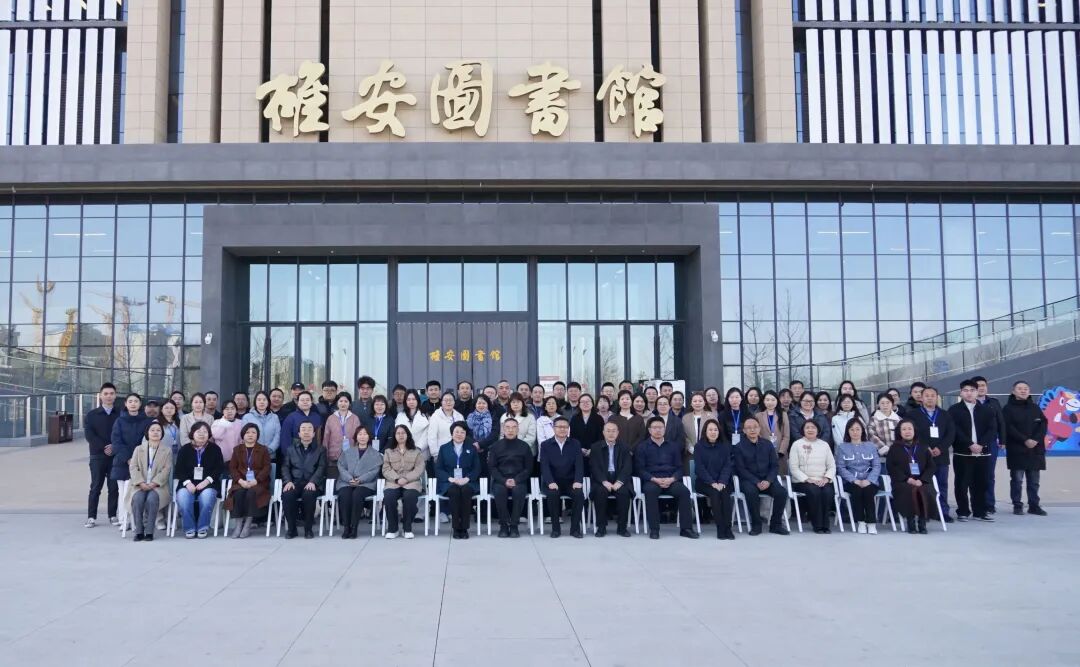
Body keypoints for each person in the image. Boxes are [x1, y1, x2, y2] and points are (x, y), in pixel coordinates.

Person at [635, 417, 698, 540]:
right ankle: (654, 529)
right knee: (650, 492)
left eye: (660, 427)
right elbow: (640, 469)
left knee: (684, 492)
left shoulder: (673, 446)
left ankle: (686, 529)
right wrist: (654, 479)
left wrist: (672, 479)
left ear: (664, 429)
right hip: (652, 480)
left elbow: (679, 468)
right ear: (649, 430)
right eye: (655, 428)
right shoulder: (642, 447)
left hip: (670, 480)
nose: (658, 430)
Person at [947, 379, 997, 522]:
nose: (969, 393)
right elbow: (954, 430)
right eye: (966, 390)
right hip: (963, 452)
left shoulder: (987, 410)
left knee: (981, 483)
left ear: (977, 392)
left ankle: (979, 512)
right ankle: (963, 511)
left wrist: (981, 444)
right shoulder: (954, 410)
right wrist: (969, 444)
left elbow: (992, 429)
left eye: (972, 390)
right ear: (961, 393)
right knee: (962, 484)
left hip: (983, 452)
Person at [733, 418, 789, 536]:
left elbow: (774, 465)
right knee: (751, 492)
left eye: (755, 427)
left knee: (782, 493)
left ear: (759, 428)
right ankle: (756, 525)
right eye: (749, 428)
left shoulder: (767, 444)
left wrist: (768, 480)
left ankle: (775, 525)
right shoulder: (739, 447)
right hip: (749, 480)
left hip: (767, 479)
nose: (752, 430)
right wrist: (756, 481)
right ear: (744, 431)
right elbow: (740, 469)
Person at [908, 386, 956, 523]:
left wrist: (941, 448)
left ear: (937, 397)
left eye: (933, 395)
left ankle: (942, 512)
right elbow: (911, 433)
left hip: (941, 456)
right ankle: (923, 512)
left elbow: (951, 433)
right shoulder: (913, 415)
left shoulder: (945, 414)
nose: (930, 398)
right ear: (921, 398)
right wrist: (924, 447)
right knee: (922, 484)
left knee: (941, 485)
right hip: (921, 456)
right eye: (927, 395)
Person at [1002, 381, 1048, 516]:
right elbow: (1008, 427)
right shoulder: (1007, 409)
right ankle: (1017, 505)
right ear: (1013, 391)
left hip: (1035, 449)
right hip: (1017, 449)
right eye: (1020, 388)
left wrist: (1035, 439)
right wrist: (1025, 440)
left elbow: (1043, 424)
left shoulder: (1035, 408)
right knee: (1017, 480)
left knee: (1034, 481)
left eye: (1026, 388)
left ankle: (1034, 505)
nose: (1023, 391)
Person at [173, 422, 225, 539]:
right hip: (187, 484)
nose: (202, 434)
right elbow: (179, 469)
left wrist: (206, 481)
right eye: (198, 431)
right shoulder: (184, 449)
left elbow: (219, 468)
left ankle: (202, 527)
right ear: (192, 433)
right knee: (183, 499)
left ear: (209, 434)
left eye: (205, 432)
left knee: (206, 499)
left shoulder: (215, 449)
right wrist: (187, 483)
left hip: (209, 483)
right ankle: (190, 528)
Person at [886, 419, 937, 534]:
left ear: (914, 431)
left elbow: (931, 466)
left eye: (910, 429)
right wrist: (907, 479)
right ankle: (911, 521)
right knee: (908, 490)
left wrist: (922, 480)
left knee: (925, 490)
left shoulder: (923, 447)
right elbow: (891, 467)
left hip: (922, 480)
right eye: (904, 429)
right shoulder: (894, 448)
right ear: (900, 432)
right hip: (902, 481)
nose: (907, 431)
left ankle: (922, 522)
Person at [126, 422, 173, 541]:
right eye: (152, 430)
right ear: (147, 433)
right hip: (139, 485)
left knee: (152, 499)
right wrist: (141, 482)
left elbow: (166, 469)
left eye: (158, 430)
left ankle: (149, 531)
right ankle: (139, 531)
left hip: (158, 486)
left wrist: (154, 483)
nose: (155, 432)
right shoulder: (138, 449)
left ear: (162, 433)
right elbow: (133, 467)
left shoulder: (167, 450)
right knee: (137, 499)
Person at [787, 420, 837, 534]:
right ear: (803, 430)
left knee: (828, 492)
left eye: (813, 427)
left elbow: (832, 465)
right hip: (803, 481)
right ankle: (818, 525)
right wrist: (808, 479)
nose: (810, 430)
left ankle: (825, 525)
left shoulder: (824, 445)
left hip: (822, 480)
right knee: (814, 491)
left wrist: (826, 478)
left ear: (818, 430)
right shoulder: (797, 444)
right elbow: (794, 468)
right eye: (807, 427)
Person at [540, 417, 585, 538]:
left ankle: (575, 529)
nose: (562, 429)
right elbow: (544, 466)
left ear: (568, 429)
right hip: (553, 482)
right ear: (553, 428)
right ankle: (555, 529)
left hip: (570, 482)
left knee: (579, 495)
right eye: (559, 427)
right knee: (552, 495)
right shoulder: (545, 445)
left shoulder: (575, 444)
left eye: (565, 427)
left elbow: (579, 464)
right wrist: (550, 482)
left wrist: (578, 481)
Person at [225, 423, 272, 538]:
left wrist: (257, 480)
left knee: (251, 493)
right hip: (241, 482)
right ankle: (238, 525)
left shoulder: (263, 449)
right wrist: (240, 481)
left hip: (258, 482)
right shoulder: (237, 449)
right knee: (238, 493)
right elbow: (232, 468)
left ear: (257, 435)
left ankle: (247, 525)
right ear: (243, 435)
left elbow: (267, 467)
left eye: (253, 432)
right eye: (247, 432)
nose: (250, 435)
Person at [282, 420, 327, 539]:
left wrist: (313, 482)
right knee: (287, 495)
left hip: (312, 483)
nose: (306, 432)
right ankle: (292, 529)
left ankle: (308, 529)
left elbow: (322, 467)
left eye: (309, 429)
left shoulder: (320, 449)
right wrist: (288, 481)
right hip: (295, 482)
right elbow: (285, 467)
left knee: (309, 494)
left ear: (313, 433)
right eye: (303, 429)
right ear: (299, 433)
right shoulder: (291, 449)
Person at [335, 425, 383, 538]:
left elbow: (375, 471)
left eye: (365, 434)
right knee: (344, 494)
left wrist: (360, 480)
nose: (362, 437)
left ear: (369, 436)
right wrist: (349, 479)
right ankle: (346, 527)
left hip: (366, 484)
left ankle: (354, 527)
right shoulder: (347, 452)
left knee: (357, 494)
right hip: (347, 482)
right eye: (360, 434)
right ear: (356, 437)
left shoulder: (375, 454)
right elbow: (341, 466)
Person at [436, 421, 481, 539]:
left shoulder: (471, 448)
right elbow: (439, 469)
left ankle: (464, 528)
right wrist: (450, 479)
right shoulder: (444, 448)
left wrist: (467, 478)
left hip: (468, 481)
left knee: (465, 491)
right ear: (452, 433)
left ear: (466, 435)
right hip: (449, 482)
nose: (459, 434)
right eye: (457, 432)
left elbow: (477, 468)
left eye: (462, 432)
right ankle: (456, 528)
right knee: (454, 491)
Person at [488, 418, 532, 538]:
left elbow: (528, 468)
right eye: (507, 427)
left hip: (519, 480)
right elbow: (492, 468)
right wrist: (504, 480)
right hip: (500, 480)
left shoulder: (524, 446)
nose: (510, 430)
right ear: (503, 429)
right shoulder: (496, 446)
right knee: (499, 491)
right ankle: (503, 525)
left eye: (513, 427)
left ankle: (514, 526)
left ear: (518, 429)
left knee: (519, 491)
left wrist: (516, 480)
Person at [836, 418, 881, 534]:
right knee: (857, 491)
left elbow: (876, 465)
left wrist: (869, 480)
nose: (855, 432)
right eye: (852, 430)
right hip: (851, 482)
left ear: (862, 431)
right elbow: (841, 467)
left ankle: (871, 523)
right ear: (848, 432)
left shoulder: (870, 446)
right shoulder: (842, 447)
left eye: (857, 429)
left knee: (868, 490)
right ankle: (861, 522)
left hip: (869, 481)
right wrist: (854, 480)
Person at [85, 382, 121, 528]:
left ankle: (112, 515)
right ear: (100, 396)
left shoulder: (120, 413)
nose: (108, 396)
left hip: (115, 456)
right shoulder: (92, 415)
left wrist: (114, 447)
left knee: (113, 487)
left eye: (111, 393)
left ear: (115, 396)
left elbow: (122, 433)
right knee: (95, 486)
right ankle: (91, 517)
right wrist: (104, 447)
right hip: (97, 456)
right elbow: (89, 435)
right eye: (105, 394)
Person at [588, 421, 632, 537]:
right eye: (608, 431)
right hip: (602, 479)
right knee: (600, 492)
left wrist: (620, 481)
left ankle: (622, 528)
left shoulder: (624, 447)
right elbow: (594, 467)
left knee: (624, 493)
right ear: (603, 432)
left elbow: (627, 466)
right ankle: (601, 527)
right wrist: (604, 481)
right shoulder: (595, 447)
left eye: (613, 431)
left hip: (619, 479)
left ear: (618, 433)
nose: (611, 433)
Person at [694, 419, 735, 540]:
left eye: (716, 430)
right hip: (704, 482)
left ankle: (728, 528)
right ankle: (720, 527)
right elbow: (700, 468)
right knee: (715, 493)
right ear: (705, 432)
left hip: (723, 482)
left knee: (725, 493)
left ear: (719, 431)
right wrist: (712, 483)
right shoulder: (699, 447)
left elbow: (727, 466)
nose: (713, 432)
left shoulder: (725, 446)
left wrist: (721, 481)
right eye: (710, 430)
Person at [382, 425, 426, 539]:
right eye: (398, 433)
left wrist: (406, 479)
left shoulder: (416, 451)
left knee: (409, 497)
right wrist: (397, 479)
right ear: (394, 436)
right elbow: (386, 469)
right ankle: (393, 529)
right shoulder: (388, 451)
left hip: (411, 482)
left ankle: (407, 528)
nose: (401, 435)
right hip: (393, 482)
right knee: (389, 497)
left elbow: (419, 468)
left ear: (408, 435)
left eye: (403, 433)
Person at [972, 375, 1007, 514]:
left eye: (983, 385)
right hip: (973, 444)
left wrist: (1002, 440)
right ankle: (976, 503)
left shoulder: (994, 402)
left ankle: (989, 503)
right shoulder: (969, 403)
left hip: (991, 443)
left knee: (989, 474)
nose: (981, 388)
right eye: (978, 386)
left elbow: (1001, 422)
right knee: (974, 475)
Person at [111, 393, 152, 495]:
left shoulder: (147, 422)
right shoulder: (119, 421)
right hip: (122, 463)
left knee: (138, 495)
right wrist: (128, 458)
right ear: (126, 404)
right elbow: (116, 442)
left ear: (140, 404)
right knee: (123, 494)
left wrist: (138, 459)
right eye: (130, 401)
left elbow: (149, 441)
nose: (133, 404)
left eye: (136, 401)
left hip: (142, 463)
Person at [322, 392, 361, 480]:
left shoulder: (355, 418)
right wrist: (325, 456)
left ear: (349, 403)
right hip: (334, 456)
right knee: (334, 480)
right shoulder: (331, 418)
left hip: (350, 457)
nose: (343, 404)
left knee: (348, 480)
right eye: (341, 401)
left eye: (346, 401)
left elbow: (358, 438)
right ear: (337, 403)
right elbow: (326, 438)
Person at [755, 390, 791, 475]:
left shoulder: (783, 414)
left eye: (773, 400)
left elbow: (786, 435)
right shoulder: (758, 416)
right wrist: (763, 449)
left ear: (777, 401)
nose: (770, 402)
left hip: (780, 452)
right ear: (763, 401)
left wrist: (781, 451)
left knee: (780, 476)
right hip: (764, 451)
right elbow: (758, 434)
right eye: (767, 400)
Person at [242, 391, 281, 463]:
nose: (262, 402)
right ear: (255, 402)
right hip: (253, 454)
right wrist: (257, 450)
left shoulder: (274, 417)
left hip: (270, 455)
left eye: (264, 400)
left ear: (268, 402)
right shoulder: (247, 417)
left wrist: (270, 449)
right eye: (259, 400)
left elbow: (277, 435)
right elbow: (245, 435)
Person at [427, 391, 464, 461]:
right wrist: (435, 454)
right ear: (441, 402)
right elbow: (432, 437)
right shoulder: (435, 417)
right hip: (441, 454)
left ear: (454, 402)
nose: (448, 402)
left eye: (451, 400)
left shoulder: (459, 416)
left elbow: (463, 434)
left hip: (458, 453)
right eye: (446, 400)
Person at [466, 395, 499, 471]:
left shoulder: (493, 417)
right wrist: (475, 445)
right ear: (475, 405)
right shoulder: (469, 417)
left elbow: (494, 434)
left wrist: (480, 445)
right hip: (472, 449)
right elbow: (467, 433)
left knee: (487, 472)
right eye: (479, 403)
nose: (481, 405)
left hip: (489, 450)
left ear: (488, 405)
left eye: (484, 403)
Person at [394, 389, 430, 454]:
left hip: (421, 452)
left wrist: (418, 448)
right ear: (405, 401)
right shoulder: (400, 415)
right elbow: (397, 433)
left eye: (413, 399)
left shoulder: (425, 415)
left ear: (417, 400)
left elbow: (427, 434)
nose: (411, 402)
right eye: (408, 399)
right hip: (403, 452)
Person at [569, 393, 604, 459]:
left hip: (595, 454)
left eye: (588, 401)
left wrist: (593, 449)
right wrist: (579, 448)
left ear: (592, 404)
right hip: (578, 453)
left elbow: (601, 437)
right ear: (579, 404)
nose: (585, 403)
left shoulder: (599, 419)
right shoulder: (574, 418)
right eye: (583, 402)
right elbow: (572, 436)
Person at [681, 391, 716, 456]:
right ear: (691, 403)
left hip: (709, 451)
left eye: (700, 401)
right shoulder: (685, 418)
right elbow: (683, 435)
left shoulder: (711, 416)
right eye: (695, 401)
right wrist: (691, 448)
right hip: (690, 453)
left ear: (704, 403)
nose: (697, 403)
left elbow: (716, 433)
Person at [868, 394, 900, 461]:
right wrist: (884, 449)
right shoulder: (874, 419)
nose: (885, 405)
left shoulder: (898, 419)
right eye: (882, 403)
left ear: (892, 404)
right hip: (880, 457)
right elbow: (871, 435)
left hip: (898, 455)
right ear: (878, 405)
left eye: (888, 403)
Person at [654, 396, 687, 461]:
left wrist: (670, 453)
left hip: (672, 457)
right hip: (654, 456)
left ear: (670, 406)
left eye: (665, 404)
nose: (662, 406)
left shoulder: (677, 421)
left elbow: (681, 441)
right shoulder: (652, 420)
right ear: (656, 407)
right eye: (660, 404)